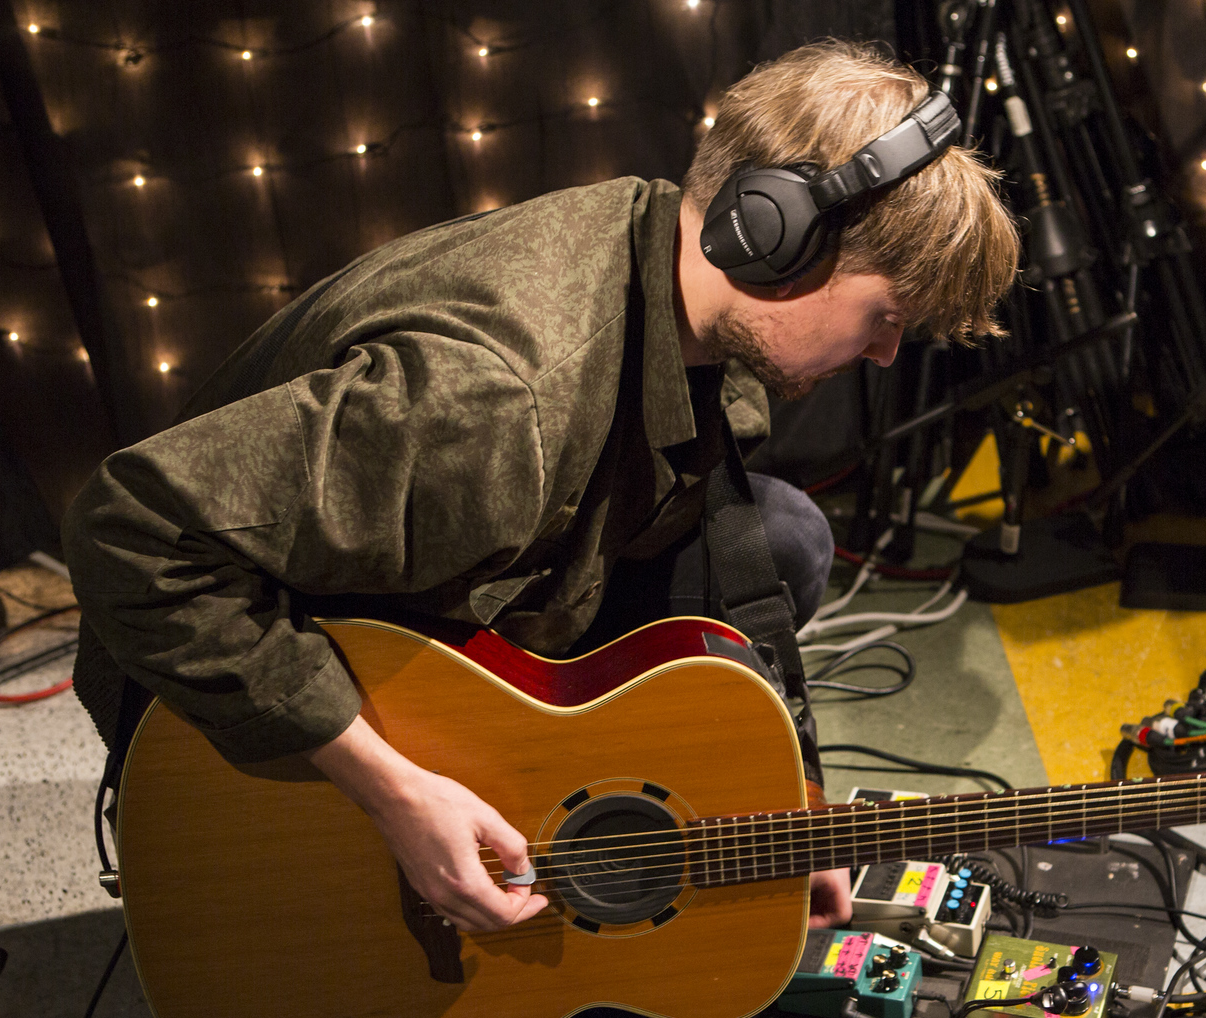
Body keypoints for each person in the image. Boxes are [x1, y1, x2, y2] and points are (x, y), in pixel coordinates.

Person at [62, 40, 1019, 941]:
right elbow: (129, 530)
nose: (888, 352)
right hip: (224, 719)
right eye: (885, 316)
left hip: (464, 588)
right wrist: (395, 789)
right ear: (780, 236)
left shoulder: (676, 278)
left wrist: (792, 801)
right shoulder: (495, 404)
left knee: (779, 541)